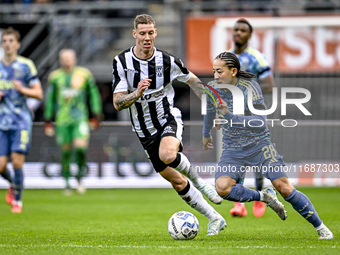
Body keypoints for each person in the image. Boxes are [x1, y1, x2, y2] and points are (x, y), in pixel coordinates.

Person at [112, 14, 226, 236]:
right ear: (134, 34)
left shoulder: (167, 61)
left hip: (167, 118)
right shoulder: (121, 62)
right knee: (176, 181)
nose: (147, 37)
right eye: (142, 33)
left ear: (156, 33)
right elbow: (117, 103)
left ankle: (202, 185)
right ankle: (215, 218)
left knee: (167, 154)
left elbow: (193, 80)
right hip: (143, 131)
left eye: (150, 32)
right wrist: (136, 93)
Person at [202, 51, 333, 240]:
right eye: (213, 71)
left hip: (259, 145)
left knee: (284, 187)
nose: (215, 76)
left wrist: (229, 116)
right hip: (233, 149)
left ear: (233, 71)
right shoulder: (212, 89)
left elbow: (260, 122)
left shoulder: (250, 88)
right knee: (222, 188)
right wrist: (206, 134)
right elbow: (208, 110)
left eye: (219, 72)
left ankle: (321, 228)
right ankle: (264, 197)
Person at [228, 18, 275, 217]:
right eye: (236, 29)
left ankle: (259, 193)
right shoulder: (227, 57)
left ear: (250, 35)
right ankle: (240, 203)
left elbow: (269, 85)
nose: (238, 32)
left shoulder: (257, 58)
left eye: (243, 30)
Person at [44, 49, 102, 195]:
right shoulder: (55, 77)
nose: (66, 60)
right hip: (63, 119)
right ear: (60, 59)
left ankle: (80, 178)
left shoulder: (84, 74)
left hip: (80, 118)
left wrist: (96, 114)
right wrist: (48, 120)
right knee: (65, 152)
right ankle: (67, 182)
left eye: (69, 58)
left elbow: (93, 94)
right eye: (64, 58)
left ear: (74, 59)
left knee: (81, 148)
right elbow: (50, 99)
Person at [0, 27, 43, 213]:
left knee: (17, 161)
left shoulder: (26, 65)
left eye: (11, 41)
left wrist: (22, 89)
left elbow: (38, 93)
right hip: (1, 122)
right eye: (5, 41)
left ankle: (17, 200)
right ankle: (12, 183)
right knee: (0, 166)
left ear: (17, 44)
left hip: (20, 121)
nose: (8, 44)